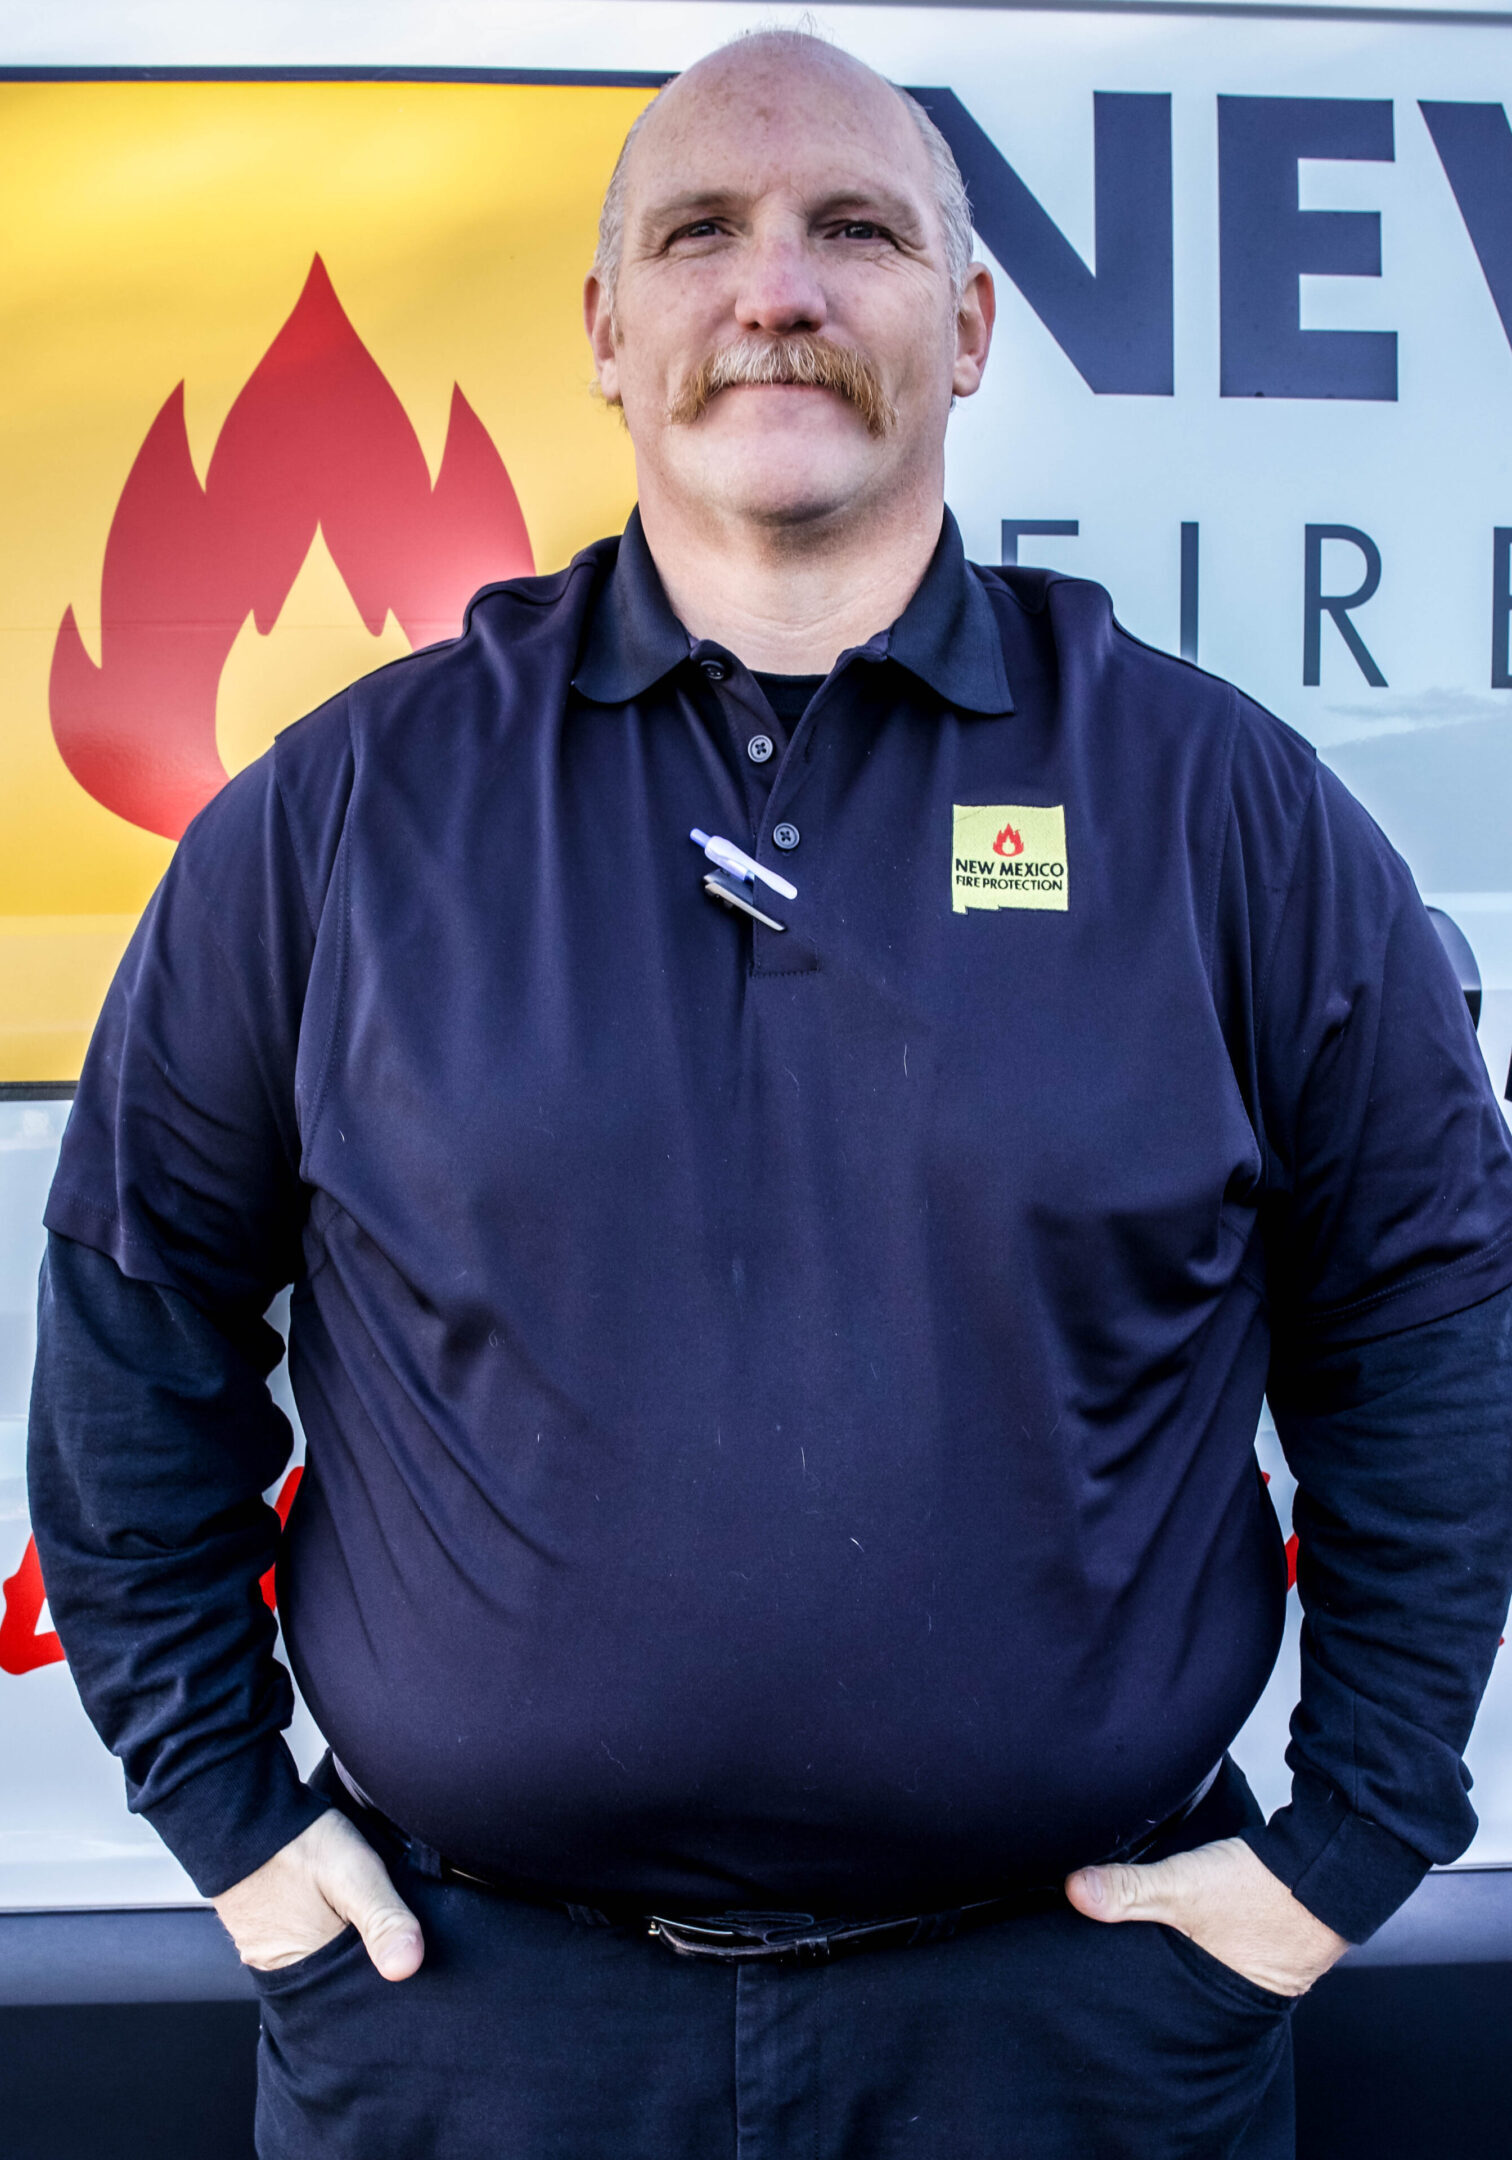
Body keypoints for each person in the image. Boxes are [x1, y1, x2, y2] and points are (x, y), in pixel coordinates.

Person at [26, 27, 1512, 2160]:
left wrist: (1352, 1845)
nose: (777, 290)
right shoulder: (353, 811)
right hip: (470, 2031)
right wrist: (233, 1826)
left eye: (856, 231)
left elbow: (1431, 1316)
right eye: (701, 232)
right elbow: (134, 1312)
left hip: (1077, 2032)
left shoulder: (1218, 810)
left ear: (973, 323)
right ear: (609, 331)